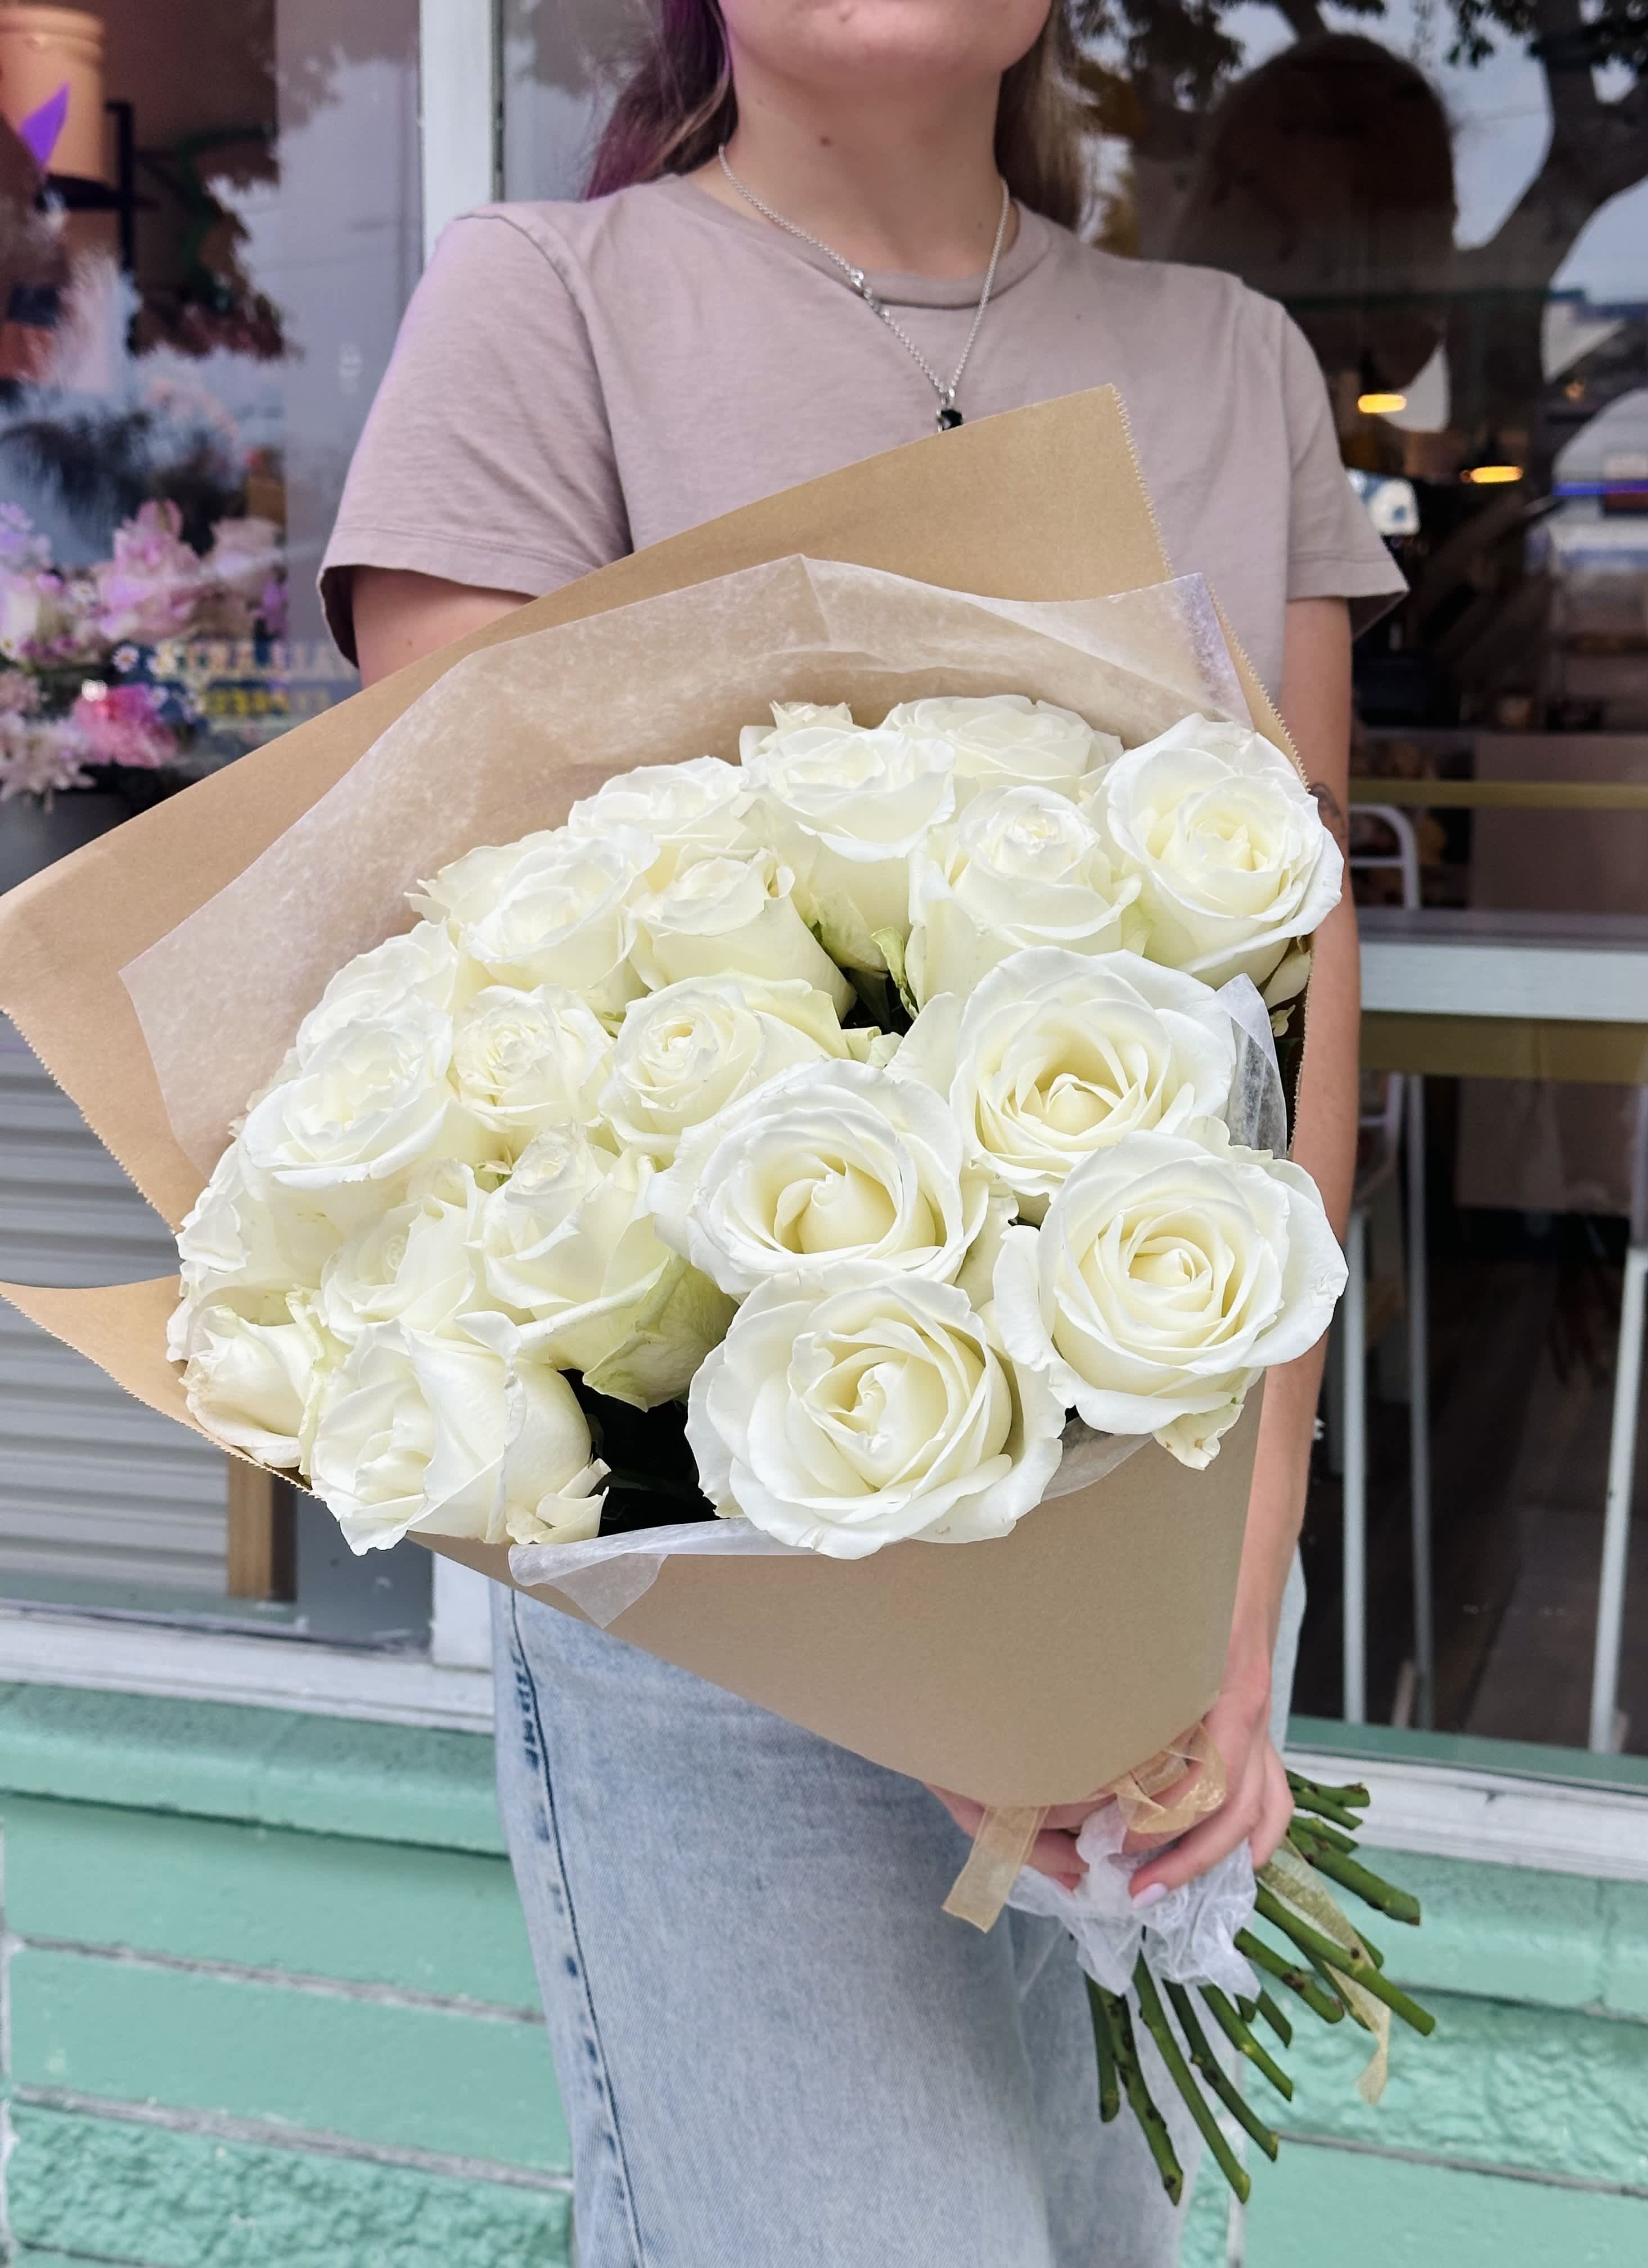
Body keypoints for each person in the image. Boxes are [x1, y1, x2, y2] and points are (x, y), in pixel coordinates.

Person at [321, 5, 1402, 2260]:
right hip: (725, 1576)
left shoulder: (1230, 359)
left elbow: (1288, 978)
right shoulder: (551, 302)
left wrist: (1230, 1581)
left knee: (1096, 2230)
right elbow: (499, 1027)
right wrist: (926, 1654)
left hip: (1153, 1537)